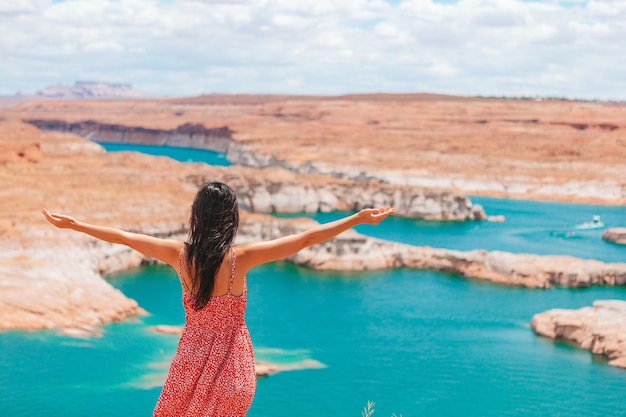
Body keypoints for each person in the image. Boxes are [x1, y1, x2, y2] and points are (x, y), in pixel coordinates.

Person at [42, 181, 395, 417]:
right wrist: (358, 219)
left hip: (190, 363)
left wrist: (76, 225)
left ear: (197, 215)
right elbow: (305, 239)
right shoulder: (241, 259)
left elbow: (125, 237)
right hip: (234, 367)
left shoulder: (178, 255)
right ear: (230, 218)